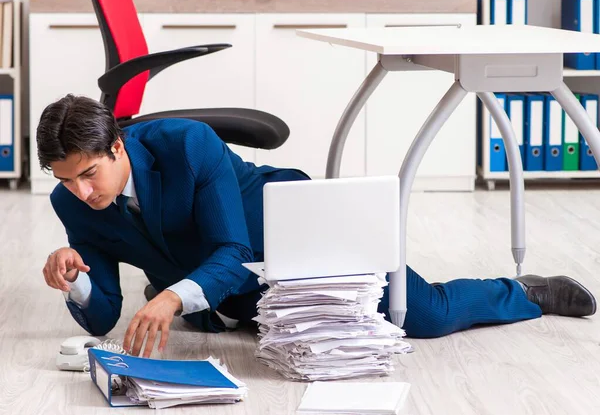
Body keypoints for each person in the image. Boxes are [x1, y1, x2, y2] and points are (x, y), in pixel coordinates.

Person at [38, 94, 596, 358]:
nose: (82, 193)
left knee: (422, 314)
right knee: (277, 333)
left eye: (89, 174)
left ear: (117, 144)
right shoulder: (74, 204)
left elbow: (232, 250)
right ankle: (187, 290)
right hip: (223, 280)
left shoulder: (186, 144)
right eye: (66, 182)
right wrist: (78, 281)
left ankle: (523, 292)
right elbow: (103, 315)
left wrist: (172, 299)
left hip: (285, 230)